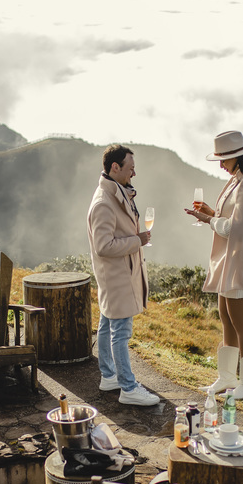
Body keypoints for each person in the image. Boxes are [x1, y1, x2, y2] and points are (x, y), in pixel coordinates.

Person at [186, 130, 243, 399]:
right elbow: (231, 218)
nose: (221, 165)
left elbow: (235, 229)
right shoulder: (238, 181)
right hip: (229, 260)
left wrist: (208, 220)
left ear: (238, 156)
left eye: (223, 159)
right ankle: (227, 377)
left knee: (241, 323)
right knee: (226, 318)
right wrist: (211, 212)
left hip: (241, 261)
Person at [87, 143, 160, 406]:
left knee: (107, 324)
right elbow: (103, 246)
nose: (134, 173)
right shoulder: (104, 203)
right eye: (130, 168)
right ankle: (128, 388)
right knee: (121, 331)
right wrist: (137, 241)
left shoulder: (115, 193)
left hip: (117, 274)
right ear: (115, 167)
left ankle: (109, 376)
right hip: (118, 276)